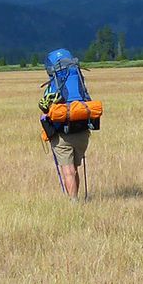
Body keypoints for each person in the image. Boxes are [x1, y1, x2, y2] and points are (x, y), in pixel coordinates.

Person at [39, 48, 96, 196]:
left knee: (68, 171)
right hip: (82, 132)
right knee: (74, 169)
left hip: (62, 135)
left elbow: (45, 107)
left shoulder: (54, 85)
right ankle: (76, 198)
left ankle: (73, 204)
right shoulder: (78, 81)